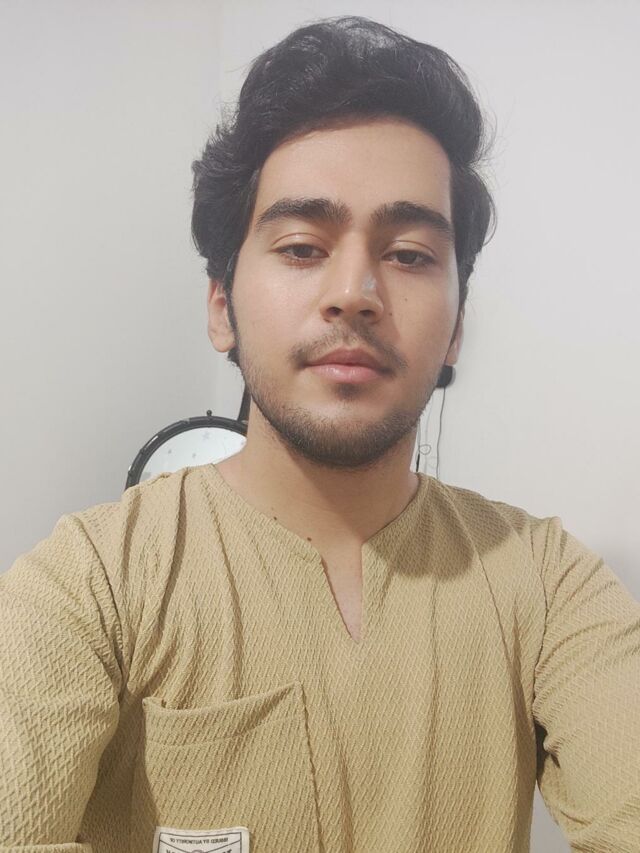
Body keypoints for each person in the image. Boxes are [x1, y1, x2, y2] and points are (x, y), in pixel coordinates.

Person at [1, 15, 638, 853]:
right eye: (303, 247)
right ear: (222, 307)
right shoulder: (89, 584)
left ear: (456, 329)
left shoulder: (548, 585)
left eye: (409, 254)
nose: (355, 292)